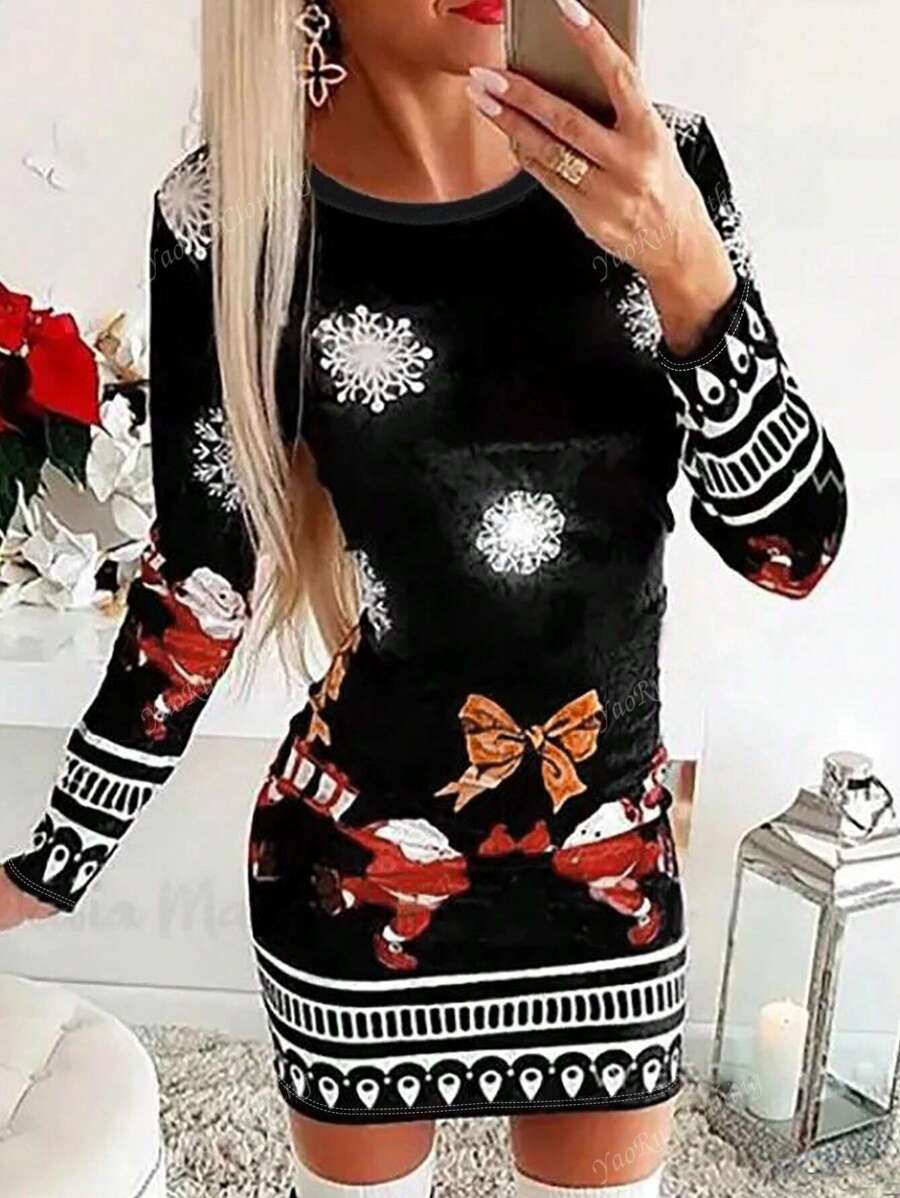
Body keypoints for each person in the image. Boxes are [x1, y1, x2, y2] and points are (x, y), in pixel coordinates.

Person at [1, 1, 847, 1195]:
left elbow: (792, 552)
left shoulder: (660, 167)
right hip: (359, 876)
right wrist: (54, 859)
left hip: (607, 872)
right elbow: (202, 587)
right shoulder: (231, 217)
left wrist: (685, 266)